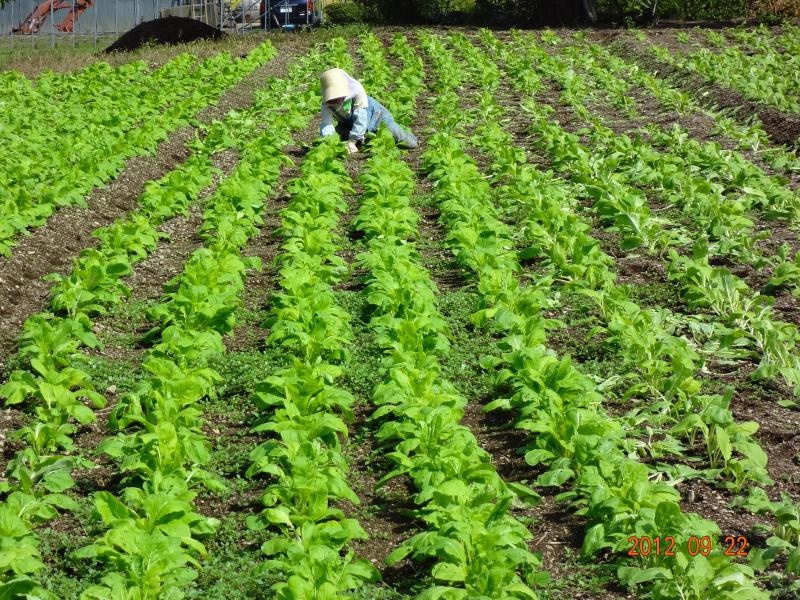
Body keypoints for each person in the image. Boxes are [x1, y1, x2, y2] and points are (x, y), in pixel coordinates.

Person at [319, 68, 418, 153]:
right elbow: (327, 124)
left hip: (379, 119)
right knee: (335, 140)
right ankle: (364, 137)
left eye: (338, 98)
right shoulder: (327, 103)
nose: (336, 102)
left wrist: (352, 142)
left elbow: (361, 119)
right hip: (349, 125)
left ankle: (364, 137)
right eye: (333, 99)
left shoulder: (357, 91)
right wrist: (329, 144)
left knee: (409, 143)